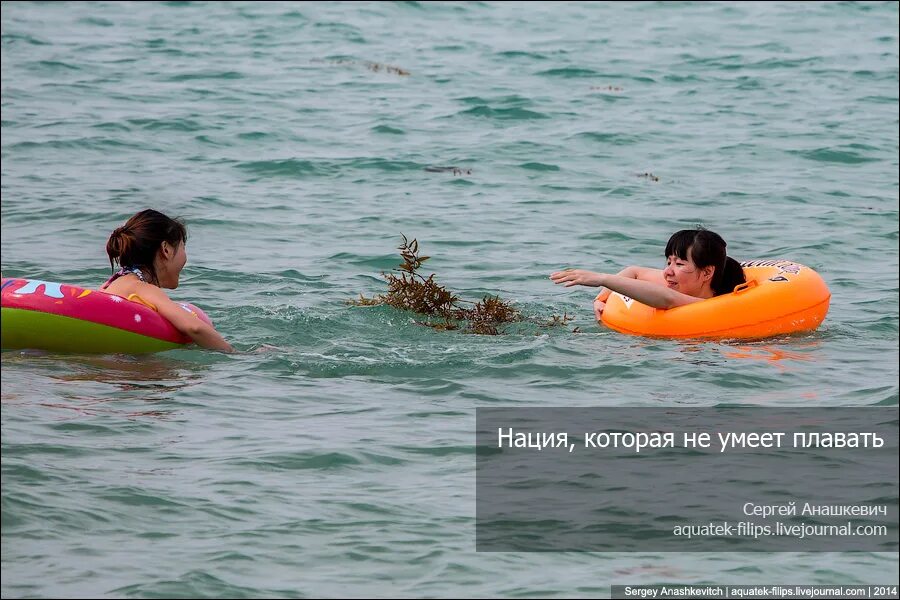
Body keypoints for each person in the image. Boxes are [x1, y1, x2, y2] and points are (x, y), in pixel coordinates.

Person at [102, 209, 234, 352]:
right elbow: (194, 328)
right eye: (183, 246)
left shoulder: (110, 284)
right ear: (166, 249)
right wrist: (238, 354)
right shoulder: (141, 288)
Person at [550, 228, 746, 322]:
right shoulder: (680, 281)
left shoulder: (717, 305)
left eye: (679, 263)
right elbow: (633, 271)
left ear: (707, 273)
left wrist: (602, 278)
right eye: (668, 261)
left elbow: (667, 299)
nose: (668, 271)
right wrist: (601, 298)